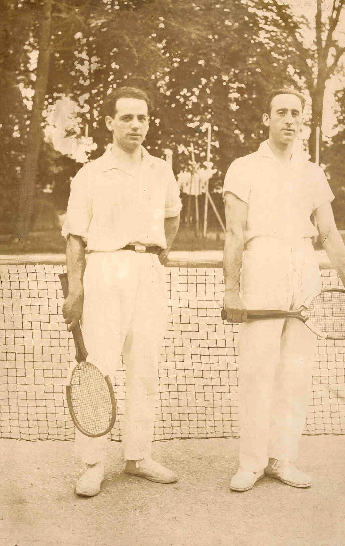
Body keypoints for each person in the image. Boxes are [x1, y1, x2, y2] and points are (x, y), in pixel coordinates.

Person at [223, 88, 345, 492]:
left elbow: (328, 232)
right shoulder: (243, 167)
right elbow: (234, 232)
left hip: (304, 269)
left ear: (303, 122)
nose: (289, 120)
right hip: (262, 266)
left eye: (296, 114)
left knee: (295, 372)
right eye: (281, 112)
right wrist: (230, 289)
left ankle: (281, 459)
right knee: (257, 372)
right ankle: (250, 464)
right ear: (266, 118)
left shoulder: (312, 173)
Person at [62, 86, 182, 497]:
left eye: (142, 118)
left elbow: (173, 216)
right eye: (127, 117)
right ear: (109, 122)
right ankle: (93, 464)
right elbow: (75, 238)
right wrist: (75, 289)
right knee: (100, 368)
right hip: (105, 269)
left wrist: (158, 255)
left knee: (145, 366)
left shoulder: (162, 170)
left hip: (148, 271)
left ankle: (137, 456)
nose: (136, 125)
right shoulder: (90, 174)